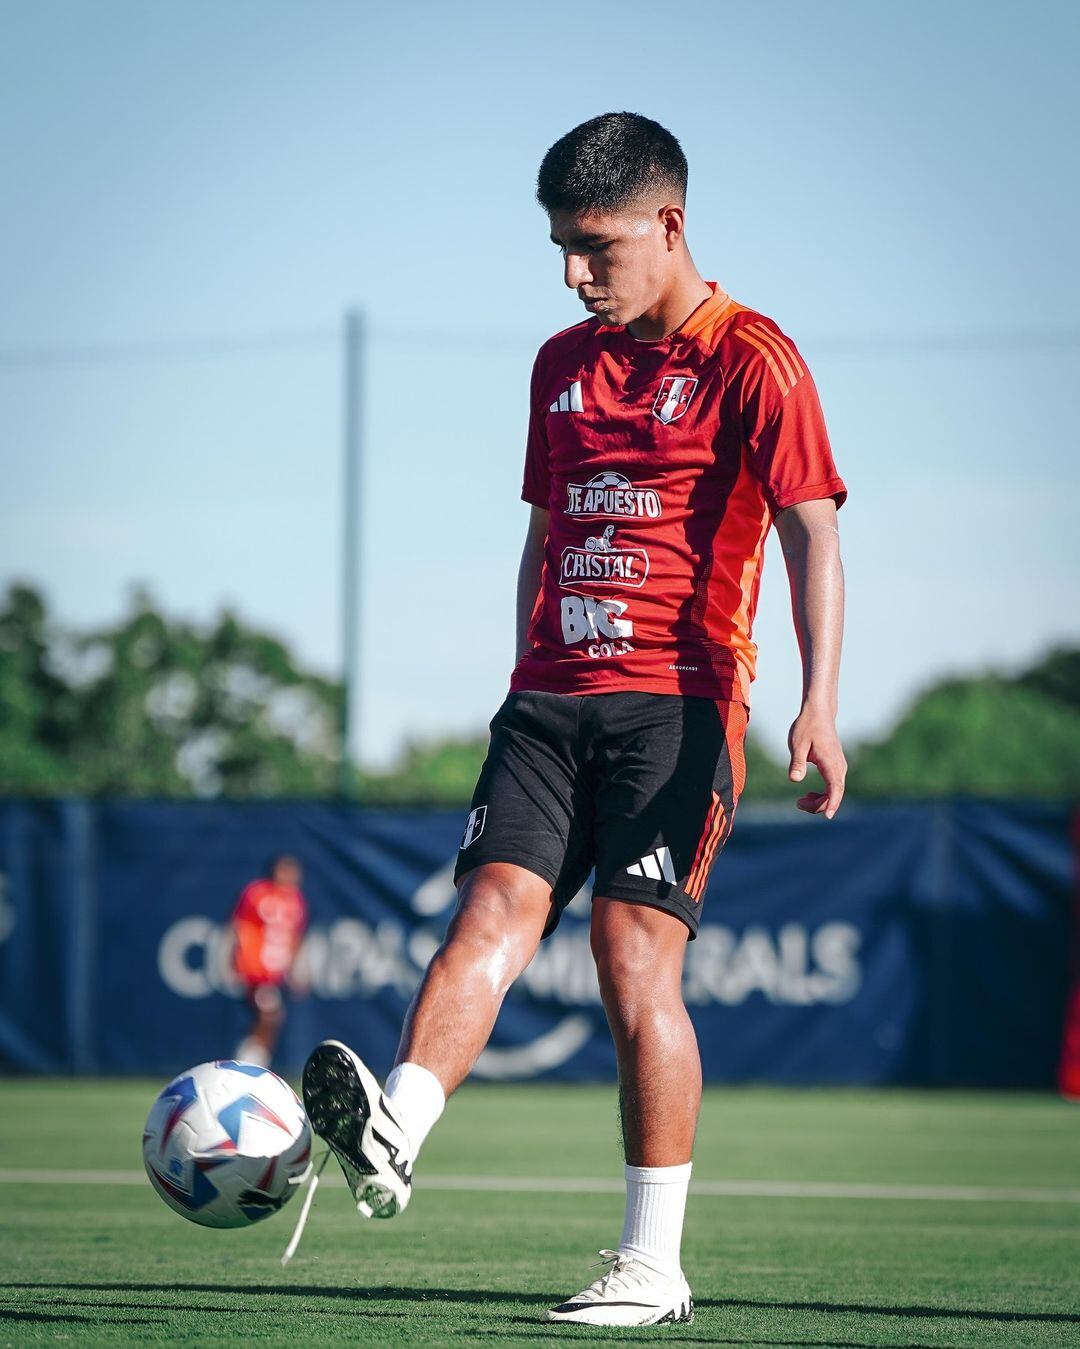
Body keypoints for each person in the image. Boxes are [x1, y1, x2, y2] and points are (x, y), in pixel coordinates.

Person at [302, 111, 847, 1327]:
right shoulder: (560, 363)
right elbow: (544, 536)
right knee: (491, 906)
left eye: (594, 245)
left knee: (630, 955)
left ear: (670, 223)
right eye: (558, 246)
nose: (572, 272)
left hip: (679, 704)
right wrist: (519, 680)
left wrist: (818, 703)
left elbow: (815, 529)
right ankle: (394, 1131)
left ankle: (652, 1262)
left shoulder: (757, 357)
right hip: (547, 701)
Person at [231, 854, 308, 1068]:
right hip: (256, 969)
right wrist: (238, 960)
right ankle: (249, 1063)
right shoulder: (256, 893)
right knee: (270, 1015)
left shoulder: (295, 899)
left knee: (267, 1018)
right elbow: (240, 927)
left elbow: (295, 938)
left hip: (275, 973)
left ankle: (250, 1059)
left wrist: (295, 970)